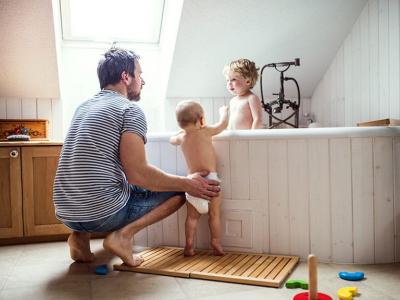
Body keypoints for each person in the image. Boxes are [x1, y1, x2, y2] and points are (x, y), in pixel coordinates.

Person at [53, 48, 220, 267]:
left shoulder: (83, 107)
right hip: (102, 213)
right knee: (180, 190)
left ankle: (79, 238)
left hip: (66, 212)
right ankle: (122, 237)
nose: (143, 81)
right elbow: (137, 174)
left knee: (106, 179)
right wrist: (188, 183)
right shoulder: (129, 110)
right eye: (140, 74)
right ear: (126, 77)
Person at [170, 100, 229, 256]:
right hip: (211, 181)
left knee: (191, 218)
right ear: (202, 120)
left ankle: (189, 245)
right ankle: (215, 241)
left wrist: (180, 132)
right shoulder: (206, 131)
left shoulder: (181, 137)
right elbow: (223, 125)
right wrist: (224, 112)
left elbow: (171, 140)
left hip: (193, 183)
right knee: (214, 215)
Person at [223, 58, 263, 129]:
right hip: (233, 136)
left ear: (247, 81)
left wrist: (252, 136)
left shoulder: (251, 98)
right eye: (227, 80)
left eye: (233, 79)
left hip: (246, 137)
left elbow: (257, 119)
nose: (229, 83)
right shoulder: (232, 101)